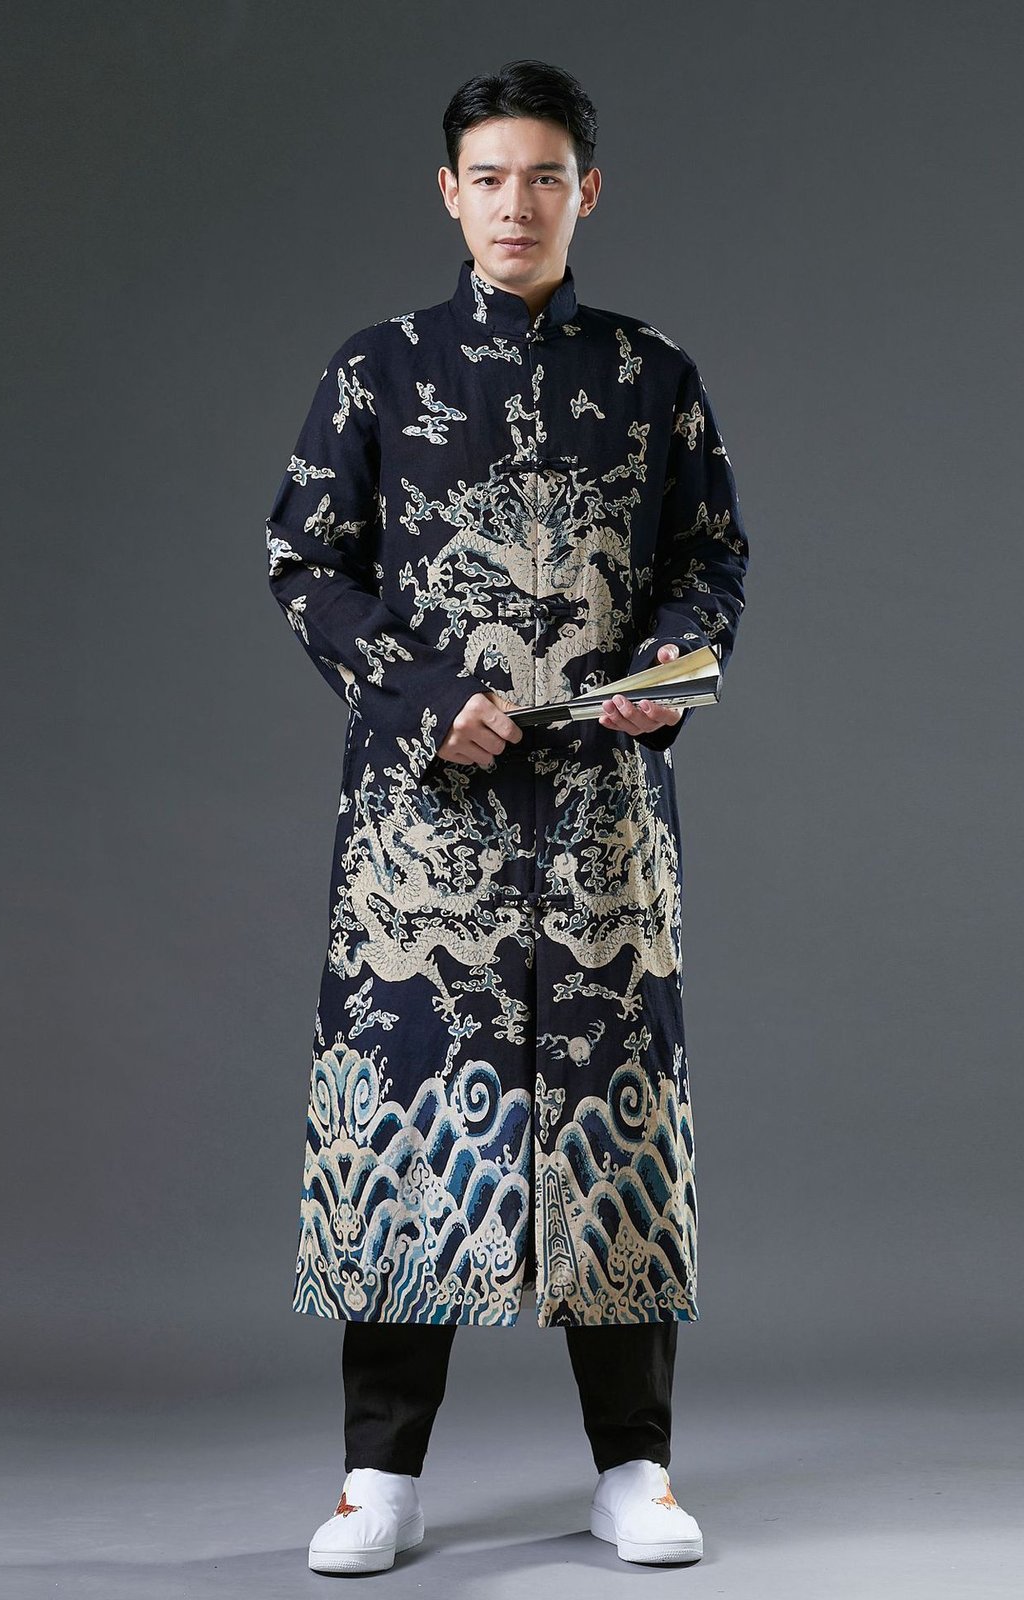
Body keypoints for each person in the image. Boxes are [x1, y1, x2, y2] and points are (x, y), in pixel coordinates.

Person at [264, 58, 750, 1574]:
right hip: (429, 831)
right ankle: (378, 1477)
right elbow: (305, 561)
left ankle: (637, 1467)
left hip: (602, 810)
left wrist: (669, 677)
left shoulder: (654, 373)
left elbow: (712, 560)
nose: (517, 204)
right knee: (402, 1117)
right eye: (490, 178)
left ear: (586, 192)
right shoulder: (380, 370)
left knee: (620, 1116)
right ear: (449, 193)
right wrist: (421, 699)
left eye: (545, 177)